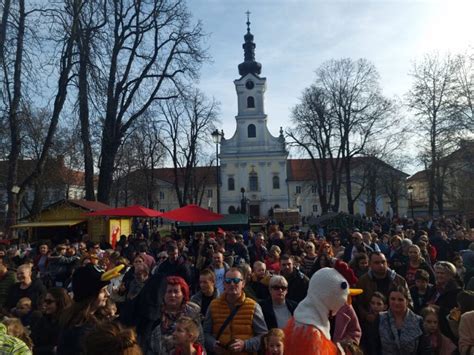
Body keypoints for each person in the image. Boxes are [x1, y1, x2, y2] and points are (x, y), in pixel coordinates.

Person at [283, 267, 362, 355]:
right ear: (330, 295)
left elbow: (355, 330)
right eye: (346, 298)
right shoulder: (313, 333)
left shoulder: (303, 317)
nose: (346, 302)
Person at [57, 263, 123, 354]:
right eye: (103, 291)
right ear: (89, 296)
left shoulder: (96, 318)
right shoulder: (83, 330)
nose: (107, 294)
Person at [204, 267, 268, 354]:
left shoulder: (253, 306)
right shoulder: (213, 305)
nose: (232, 284)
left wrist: (245, 345)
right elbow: (205, 333)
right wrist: (213, 344)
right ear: (224, 284)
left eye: (236, 280)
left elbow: (264, 336)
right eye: (228, 281)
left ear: (243, 283)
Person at [147, 276, 202, 354]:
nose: (172, 295)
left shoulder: (192, 313)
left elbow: (200, 341)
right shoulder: (155, 313)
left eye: (176, 291)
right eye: (169, 291)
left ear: (183, 294)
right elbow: (148, 344)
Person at [354, 252, 411, 324]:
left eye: (383, 262)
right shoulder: (363, 281)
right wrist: (366, 315)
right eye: (376, 263)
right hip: (372, 322)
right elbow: (359, 303)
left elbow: (409, 301)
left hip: (395, 321)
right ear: (370, 264)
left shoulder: (399, 280)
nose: (381, 265)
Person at [374, 285, 423, 355]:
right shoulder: (380, 318)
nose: (396, 303)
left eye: (400, 300)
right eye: (393, 299)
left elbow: (423, 349)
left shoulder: (418, 321)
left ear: (407, 301)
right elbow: (374, 346)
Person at [31, 287, 72, 355]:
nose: (45, 304)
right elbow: (32, 339)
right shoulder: (43, 319)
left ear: (60, 303)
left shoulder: (67, 323)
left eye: (49, 302)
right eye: (45, 301)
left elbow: (58, 348)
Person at [431, 261, 463, 342]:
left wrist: (439, 309)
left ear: (450, 275)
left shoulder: (456, 291)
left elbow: (457, 314)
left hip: (447, 330)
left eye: (442, 273)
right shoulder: (434, 288)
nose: (439, 275)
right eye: (437, 273)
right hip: (433, 326)